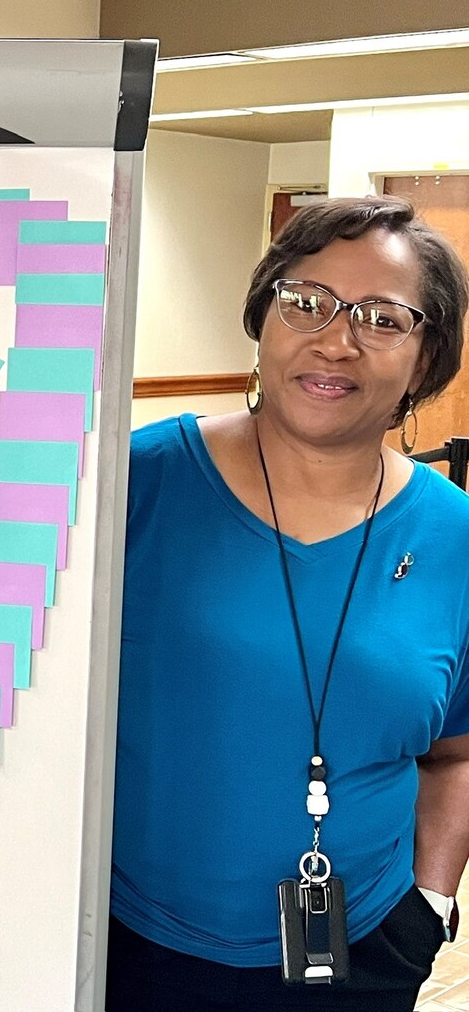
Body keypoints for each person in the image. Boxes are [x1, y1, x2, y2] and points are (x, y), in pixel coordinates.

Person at [108, 196, 469, 1011]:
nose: (335, 340)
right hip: (127, 944)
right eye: (306, 301)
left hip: (362, 953)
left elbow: (458, 754)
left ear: (426, 358)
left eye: (383, 318)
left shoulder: (457, 540)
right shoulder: (132, 488)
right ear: (263, 313)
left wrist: (430, 907)